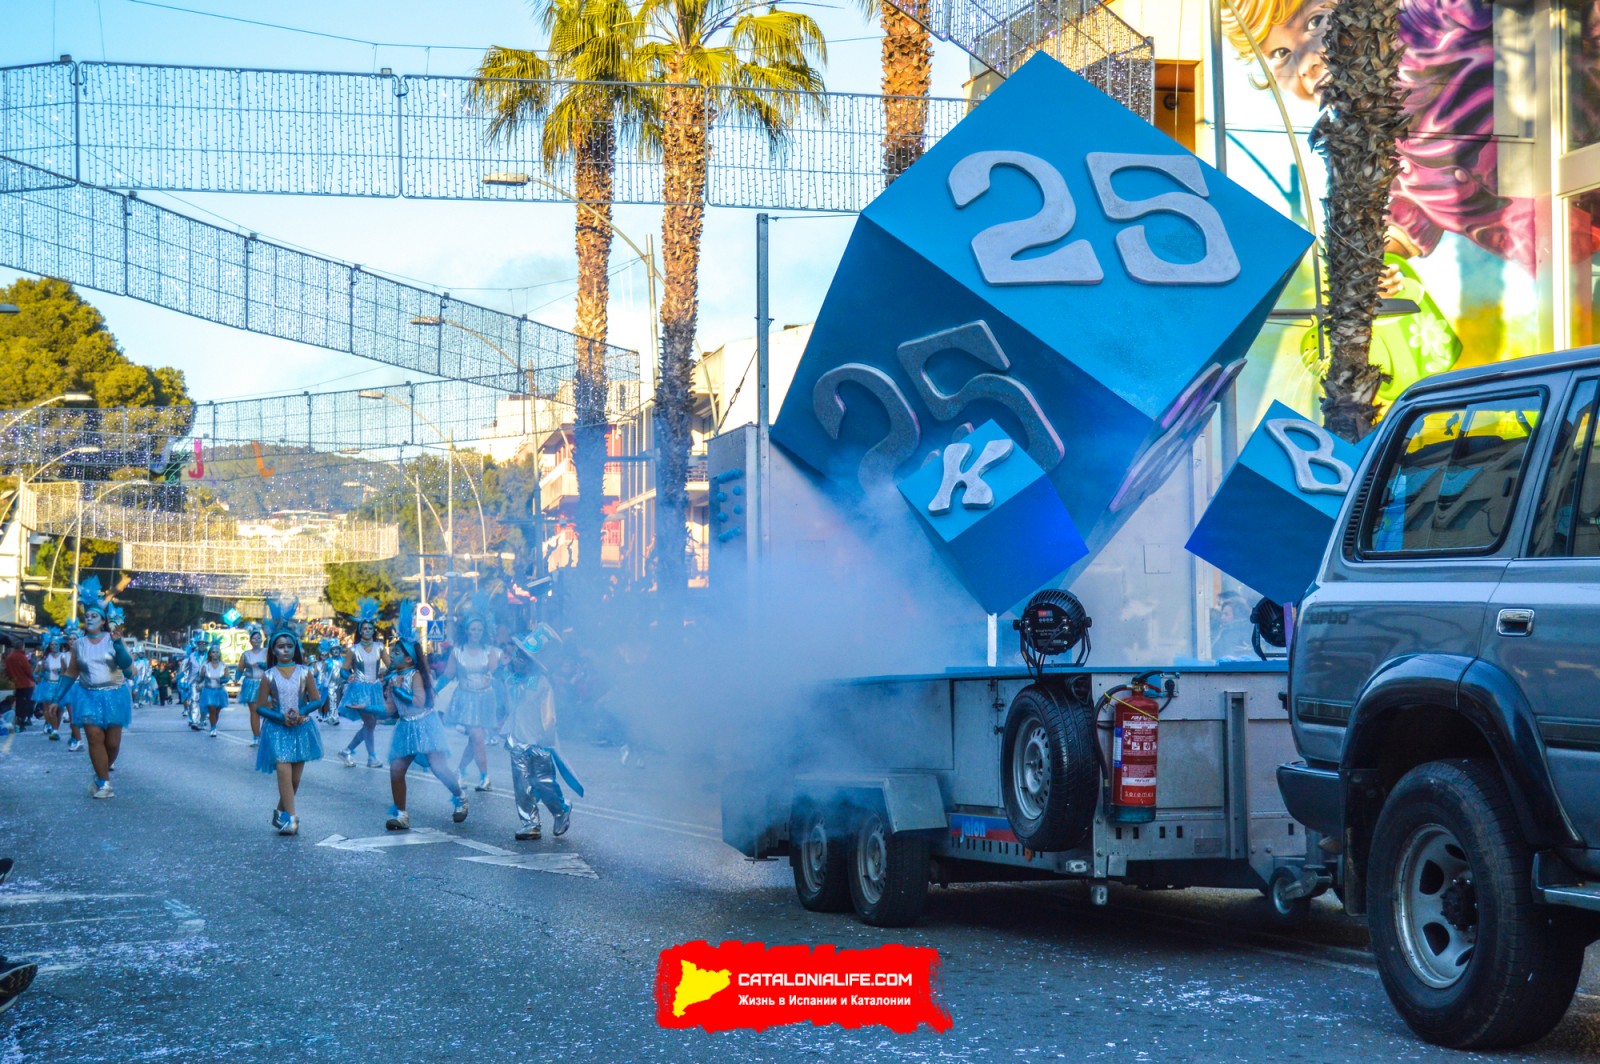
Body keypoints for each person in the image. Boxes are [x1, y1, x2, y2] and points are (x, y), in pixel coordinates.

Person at [381, 599, 468, 831]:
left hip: (425, 725)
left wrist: (398, 690)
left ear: (409, 658)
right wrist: (367, 707)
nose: (391, 654)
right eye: (391, 651)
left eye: (396, 652)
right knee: (396, 769)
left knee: (438, 767)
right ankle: (402, 815)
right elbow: (389, 710)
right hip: (405, 727)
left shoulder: (415, 675)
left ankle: (460, 797)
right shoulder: (392, 678)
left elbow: (419, 702)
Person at [499, 625, 582, 841]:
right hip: (518, 740)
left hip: (539, 742)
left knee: (544, 783)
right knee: (521, 784)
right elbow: (510, 709)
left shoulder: (542, 684)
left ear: (533, 663)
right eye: (517, 655)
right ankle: (530, 823)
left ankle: (561, 810)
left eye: (524, 658)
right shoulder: (510, 681)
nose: (518, 660)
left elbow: (549, 716)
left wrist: (545, 741)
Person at [250, 595, 324, 836]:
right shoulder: (268, 675)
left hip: (302, 728)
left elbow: (317, 700)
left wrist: (302, 712)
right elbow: (260, 706)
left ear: (295, 648)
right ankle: (292, 819)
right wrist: (280, 717)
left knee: (294, 781)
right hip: (277, 729)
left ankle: (281, 811)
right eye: (280, 646)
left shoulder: (305, 672)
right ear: (273, 649)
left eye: (290, 646)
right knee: (283, 770)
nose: (285, 650)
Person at [59, 578, 134, 799]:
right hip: (88, 696)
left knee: (112, 744)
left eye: (94, 616)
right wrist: (56, 698)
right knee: (93, 737)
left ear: (103, 621)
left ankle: (101, 772)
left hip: (115, 695)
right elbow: (71, 673)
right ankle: (104, 783)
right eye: (87, 616)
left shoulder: (114, 639)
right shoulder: (79, 644)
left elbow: (128, 670)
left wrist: (118, 643)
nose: (89, 618)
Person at [441, 611, 503, 792]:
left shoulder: (490, 651)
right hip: (465, 699)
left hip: (485, 699)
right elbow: (448, 674)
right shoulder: (457, 651)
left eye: (480, 629)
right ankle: (485, 777)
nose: (476, 633)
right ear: (466, 630)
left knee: (476, 739)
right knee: (477, 736)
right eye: (473, 629)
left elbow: (496, 673)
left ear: (484, 631)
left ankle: (460, 771)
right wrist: (433, 691)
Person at [338, 599, 387, 769]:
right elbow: (343, 670)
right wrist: (348, 676)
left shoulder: (380, 647)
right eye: (364, 628)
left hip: (375, 689)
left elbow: (391, 666)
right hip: (359, 689)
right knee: (370, 723)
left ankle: (347, 750)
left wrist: (389, 676)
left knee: (370, 724)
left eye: (370, 628)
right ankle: (371, 757)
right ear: (360, 631)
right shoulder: (353, 649)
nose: (367, 631)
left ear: (374, 630)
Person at [235, 624, 267, 747]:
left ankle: (266, 734)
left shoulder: (267, 652)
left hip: (265, 684)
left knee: (267, 711)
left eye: (258, 638)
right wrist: (236, 679)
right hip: (250, 684)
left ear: (261, 639)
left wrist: (264, 665)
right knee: (254, 712)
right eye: (254, 638)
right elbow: (240, 668)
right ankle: (255, 737)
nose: (256, 640)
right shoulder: (246, 654)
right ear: (250, 640)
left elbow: (273, 665)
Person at [32, 630, 66, 742]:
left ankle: (55, 728)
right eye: (52, 644)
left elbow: (70, 671)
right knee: (50, 709)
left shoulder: (64, 657)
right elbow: (35, 673)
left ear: (60, 645)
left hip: (60, 686)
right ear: (49, 646)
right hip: (49, 686)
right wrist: (40, 675)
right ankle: (54, 730)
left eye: (56, 644)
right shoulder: (45, 658)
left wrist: (61, 670)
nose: (54, 646)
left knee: (59, 710)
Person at [197, 638, 229, 737]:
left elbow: (227, 678)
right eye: (213, 652)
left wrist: (222, 680)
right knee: (212, 709)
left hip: (219, 691)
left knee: (217, 711)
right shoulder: (206, 666)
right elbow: (201, 677)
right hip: (208, 691)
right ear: (210, 654)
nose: (215, 654)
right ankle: (213, 728)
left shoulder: (224, 666)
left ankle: (214, 725)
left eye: (217, 652)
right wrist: (198, 680)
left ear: (219, 654)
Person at [3, 637, 35, 735]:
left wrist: (12, 679)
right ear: (22, 647)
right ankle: (24, 720)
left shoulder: (9, 658)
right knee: (28, 702)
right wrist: (34, 678)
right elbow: (28, 670)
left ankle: (18, 721)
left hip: (16, 684)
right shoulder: (22, 657)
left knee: (19, 703)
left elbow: (7, 671)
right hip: (27, 683)